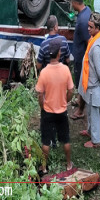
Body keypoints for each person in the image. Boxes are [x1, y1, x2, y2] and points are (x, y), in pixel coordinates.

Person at [35, 38, 74, 175]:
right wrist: (66, 100)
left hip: (48, 111)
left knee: (46, 141)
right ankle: (69, 164)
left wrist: (42, 106)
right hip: (62, 109)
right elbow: (71, 91)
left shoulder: (44, 72)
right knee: (65, 139)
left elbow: (40, 94)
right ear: (59, 54)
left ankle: (44, 168)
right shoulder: (65, 70)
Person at [78, 12, 100, 148]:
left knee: (94, 112)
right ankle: (90, 131)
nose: (88, 29)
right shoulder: (99, 37)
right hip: (90, 83)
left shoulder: (96, 47)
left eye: (91, 27)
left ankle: (95, 141)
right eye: (88, 26)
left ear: (97, 27)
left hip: (94, 84)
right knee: (90, 111)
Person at [69, 0, 91, 120]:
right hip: (81, 55)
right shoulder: (87, 10)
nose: (71, 5)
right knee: (80, 83)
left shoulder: (83, 21)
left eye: (72, 3)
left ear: (75, 3)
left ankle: (80, 110)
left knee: (81, 84)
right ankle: (79, 100)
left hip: (81, 57)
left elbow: (89, 41)